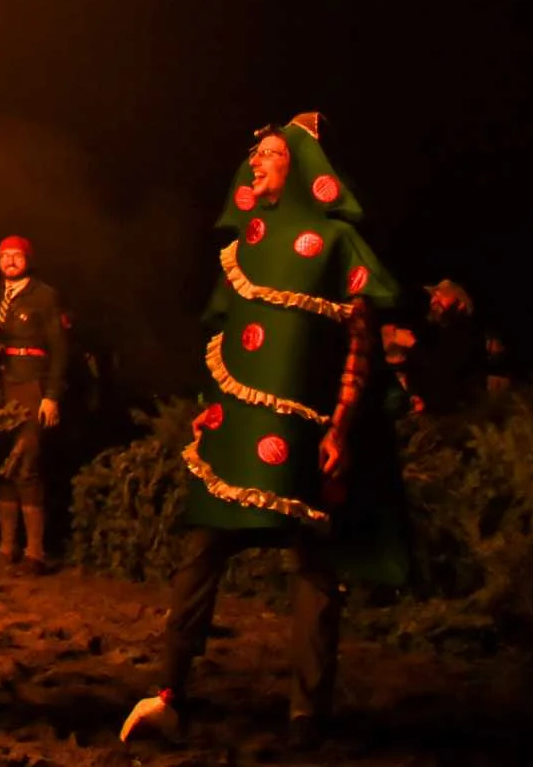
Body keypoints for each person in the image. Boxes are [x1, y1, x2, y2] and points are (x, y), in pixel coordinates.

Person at [122, 114, 407, 750]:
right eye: (256, 153)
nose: (256, 162)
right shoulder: (243, 245)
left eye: (272, 153)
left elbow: (360, 347)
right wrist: (207, 401)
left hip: (305, 432)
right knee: (202, 551)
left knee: (313, 565)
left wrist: (342, 427)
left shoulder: (337, 243)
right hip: (236, 425)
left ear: (302, 166)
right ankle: (168, 693)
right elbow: (224, 334)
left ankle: (308, 712)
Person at [0, 235, 70, 572]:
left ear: (28, 260)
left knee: (27, 464)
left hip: (31, 386)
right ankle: (6, 546)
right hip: (0, 388)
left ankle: (35, 551)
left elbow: (60, 348)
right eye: (4, 255)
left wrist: (51, 396)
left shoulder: (44, 296)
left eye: (16, 256)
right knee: (3, 468)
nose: (10, 261)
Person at [384, 278, 508, 415]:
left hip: (455, 418)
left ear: (460, 304)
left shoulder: (467, 332)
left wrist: (412, 344)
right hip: (427, 414)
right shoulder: (435, 332)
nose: (433, 300)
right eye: (433, 296)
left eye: (441, 295)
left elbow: (445, 370)